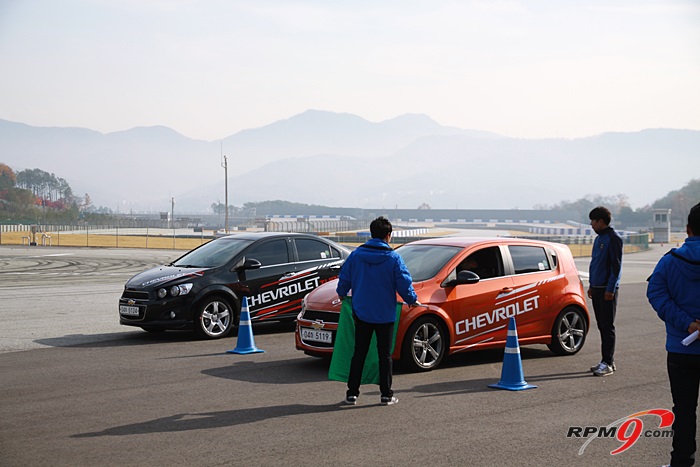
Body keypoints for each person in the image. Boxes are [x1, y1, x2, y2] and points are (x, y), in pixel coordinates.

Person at [336, 216, 419, 406]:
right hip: (385, 314)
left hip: (361, 311)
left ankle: (352, 393)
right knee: (384, 355)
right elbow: (404, 283)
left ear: (371, 234)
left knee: (359, 353)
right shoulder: (393, 258)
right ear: (388, 235)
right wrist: (411, 300)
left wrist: (341, 293)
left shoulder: (356, 255)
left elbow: (345, 277)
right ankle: (386, 394)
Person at [647, 202, 700, 467]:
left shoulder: (669, 260)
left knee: (684, 409)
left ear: (688, 229)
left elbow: (656, 294)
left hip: (682, 348)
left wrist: (688, 324)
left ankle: (681, 460)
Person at [588, 206, 623, 376]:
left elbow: (616, 266)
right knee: (601, 325)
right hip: (597, 288)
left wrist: (611, 288)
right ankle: (606, 359)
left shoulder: (613, 238)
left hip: (607, 290)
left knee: (607, 326)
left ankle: (607, 362)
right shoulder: (599, 239)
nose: (591, 224)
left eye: (593, 221)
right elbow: (595, 264)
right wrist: (591, 285)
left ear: (601, 221)